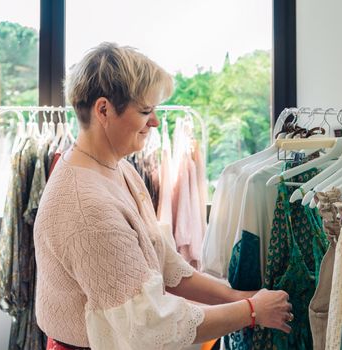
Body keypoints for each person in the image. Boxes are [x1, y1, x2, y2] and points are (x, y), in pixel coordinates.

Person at [34, 42, 293, 350]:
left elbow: (165, 263)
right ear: (103, 110)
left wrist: (236, 297)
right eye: (145, 111)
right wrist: (251, 312)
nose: (155, 121)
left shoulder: (118, 168)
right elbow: (147, 324)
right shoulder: (87, 208)